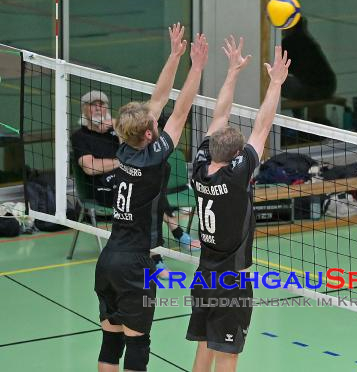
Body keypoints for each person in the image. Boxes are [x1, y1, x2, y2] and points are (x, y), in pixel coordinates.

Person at [94, 24, 208, 372]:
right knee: (138, 346)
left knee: (110, 344)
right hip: (133, 265)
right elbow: (180, 111)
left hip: (108, 258)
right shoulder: (153, 157)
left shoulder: (124, 148)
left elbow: (157, 103)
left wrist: (174, 56)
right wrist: (197, 67)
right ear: (148, 133)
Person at [186, 38, 289, 372]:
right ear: (236, 157)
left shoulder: (199, 167)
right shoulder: (235, 177)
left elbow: (220, 115)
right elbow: (263, 125)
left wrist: (232, 72)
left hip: (204, 275)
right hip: (232, 279)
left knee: (205, 343)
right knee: (228, 354)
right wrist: (275, 83)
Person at [71, 90, 200, 280]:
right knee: (148, 192)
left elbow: (154, 103)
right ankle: (166, 245)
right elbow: (90, 168)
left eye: (102, 105)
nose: (98, 108)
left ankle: (166, 244)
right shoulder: (80, 136)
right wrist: (122, 163)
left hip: (128, 178)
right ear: (84, 109)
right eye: (93, 105)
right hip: (102, 188)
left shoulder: (117, 130)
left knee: (154, 184)